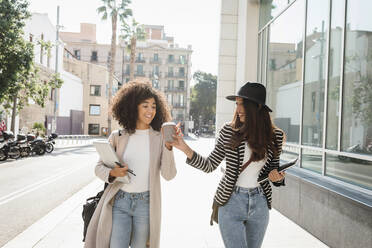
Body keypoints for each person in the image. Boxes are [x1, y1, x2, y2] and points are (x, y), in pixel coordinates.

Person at [170, 82, 286, 248]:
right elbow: (209, 165)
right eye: (237, 104)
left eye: (242, 104)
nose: (238, 110)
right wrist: (184, 148)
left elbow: (273, 171)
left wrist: (278, 178)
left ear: (257, 107)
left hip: (260, 202)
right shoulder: (228, 131)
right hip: (231, 201)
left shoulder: (275, 136)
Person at [84, 80, 177, 248]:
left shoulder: (159, 138)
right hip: (120, 202)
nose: (151, 111)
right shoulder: (117, 136)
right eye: (145, 106)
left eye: (154, 106)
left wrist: (169, 148)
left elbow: (169, 175)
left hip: (145, 204)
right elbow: (98, 168)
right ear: (133, 106)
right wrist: (113, 173)